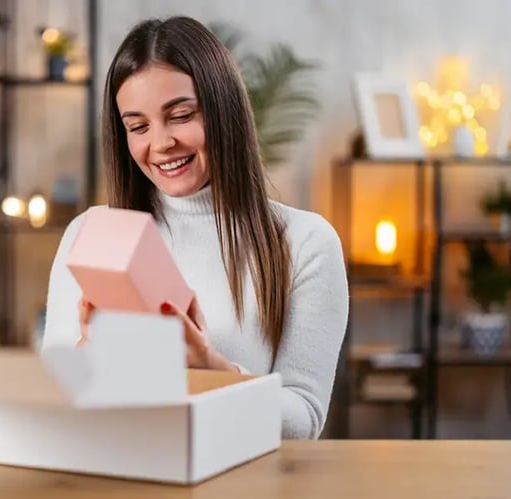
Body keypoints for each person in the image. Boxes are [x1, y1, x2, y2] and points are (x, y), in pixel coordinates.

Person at [40, 16, 348, 440]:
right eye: (138, 126)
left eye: (181, 115)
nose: (161, 143)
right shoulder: (91, 235)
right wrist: (84, 368)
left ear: (223, 110)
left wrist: (212, 372)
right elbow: (52, 404)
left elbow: (303, 421)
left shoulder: (304, 243)